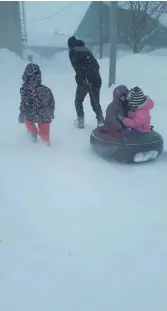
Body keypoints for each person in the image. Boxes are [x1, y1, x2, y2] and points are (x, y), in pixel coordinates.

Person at [68, 36, 104, 128]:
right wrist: (92, 75)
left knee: (78, 101)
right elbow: (96, 66)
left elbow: (78, 68)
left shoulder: (73, 51)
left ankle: (80, 121)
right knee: (95, 102)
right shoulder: (86, 49)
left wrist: (81, 78)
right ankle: (100, 121)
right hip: (96, 79)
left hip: (85, 80)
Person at [18, 63, 55, 145]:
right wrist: (51, 112)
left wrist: (22, 112)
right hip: (43, 116)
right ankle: (45, 144)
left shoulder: (24, 89)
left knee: (28, 121)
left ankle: (34, 135)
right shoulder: (45, 90)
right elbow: (51, 102)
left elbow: (23, 102)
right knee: (44, 134)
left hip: (33, 114)